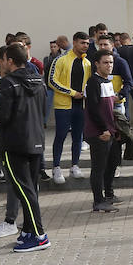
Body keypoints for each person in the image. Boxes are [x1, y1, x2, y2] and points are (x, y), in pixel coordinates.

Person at [0, 43, 51, 251]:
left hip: (14, 143)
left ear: (9, 61)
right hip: (36, 141)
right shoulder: (39, 80)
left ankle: (39, 235)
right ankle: (27, 231)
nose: (2, 64)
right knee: (31, 189)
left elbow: (3, 116)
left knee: (24, 191)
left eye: (4, 60)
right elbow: (44, 110)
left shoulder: (7, 83)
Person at [48, 32, 90, 183]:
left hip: (81, 106)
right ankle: (56, 167)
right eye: (82, 43)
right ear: (74, 42)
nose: (85, 46)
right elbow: (52, 81)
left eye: (87, 43)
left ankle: (75, 165)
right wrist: (72, 93)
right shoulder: (61, 59)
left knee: (78, 136)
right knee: (61, 135)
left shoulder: (88, 63)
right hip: (63, 106)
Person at [84, 50, 123, 212]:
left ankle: (109, 194)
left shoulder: (107, 81)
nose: (109, 65)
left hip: (110, 131)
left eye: (111, 62)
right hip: (99, 132)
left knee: (112, 164)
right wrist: (103, 129)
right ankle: (98, 201)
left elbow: (109, 108)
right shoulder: (93, 82)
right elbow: (92, 109)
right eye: (106, 62)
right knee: (99, 168)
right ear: (97, 64)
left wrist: (116, 128)